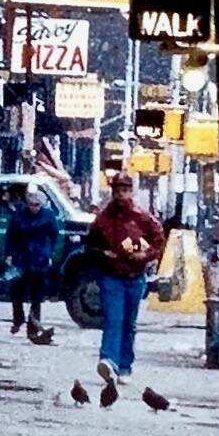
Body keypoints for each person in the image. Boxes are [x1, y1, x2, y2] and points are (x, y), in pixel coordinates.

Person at [84, 167, 166, 391]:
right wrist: (103, 255)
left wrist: (145, 256)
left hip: (135, 276)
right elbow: (90, 246)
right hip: (111, 276)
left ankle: (124, 366)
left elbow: (158, 242)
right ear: (113, 191)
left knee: (129, 323)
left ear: (131, 191)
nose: (122, 194)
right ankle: (108, 359)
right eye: (118, 190)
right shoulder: (102, 220)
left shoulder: (143, 218)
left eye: (125, 190)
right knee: (113, 319)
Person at [5, 179, 63, 345]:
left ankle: (33, 325)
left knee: (37, 296)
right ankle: (18, 319)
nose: (34, 207)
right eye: (31, 204)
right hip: (22, 258)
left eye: (37, 205)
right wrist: (9, 254)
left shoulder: (48, 216)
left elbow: (54, 235)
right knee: (16, 291)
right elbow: (11, 235)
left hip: (40, 260)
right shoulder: (19, 216)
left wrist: (49, 253)